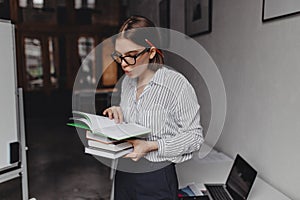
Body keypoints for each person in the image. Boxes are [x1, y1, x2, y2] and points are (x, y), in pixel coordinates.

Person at [103, 15, 204, 200]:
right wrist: (118, 114)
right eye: (120, 56)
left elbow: (195, 137)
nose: (124, 64)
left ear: (151, 51)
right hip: (125, 172)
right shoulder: (127, 82)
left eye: (132, 56)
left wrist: (151, 146)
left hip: (156, 178)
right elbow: (133, 124)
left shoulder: (176, 84)